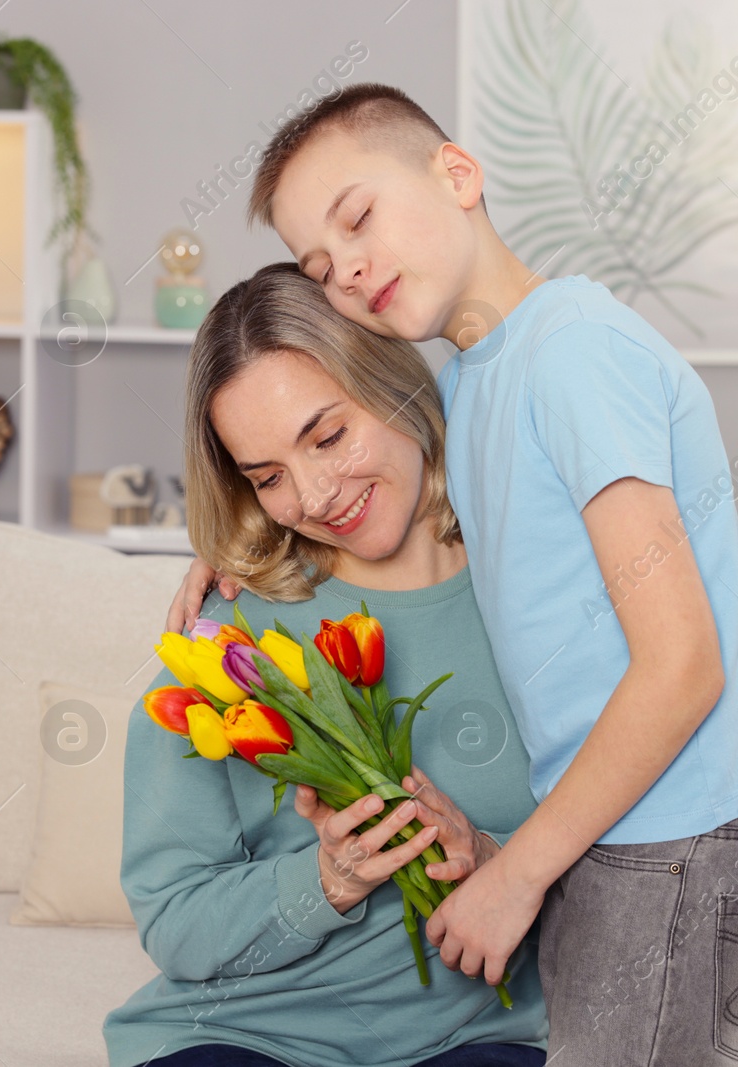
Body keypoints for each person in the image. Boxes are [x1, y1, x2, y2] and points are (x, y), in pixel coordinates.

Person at [166, 83, 738, 1065]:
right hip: (626, 829)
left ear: (458, 174)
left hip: (689, 832)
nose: (350, 269)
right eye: (322, 265)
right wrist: (234, 544)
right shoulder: (476, 380)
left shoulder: (573, 354)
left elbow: (682, 664)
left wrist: (516, 879)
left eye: (360, 218)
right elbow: (374, 507)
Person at [103, 263, 548, 1067]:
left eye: (329, 435)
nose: (311, 495)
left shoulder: (542, 595)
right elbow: (174, 920)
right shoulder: (226, 639)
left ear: (396, 384)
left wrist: (490, 860)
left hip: (479, 1037)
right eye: (266, 475)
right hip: (243, 1034)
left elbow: (644, 866)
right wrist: (326, 879)